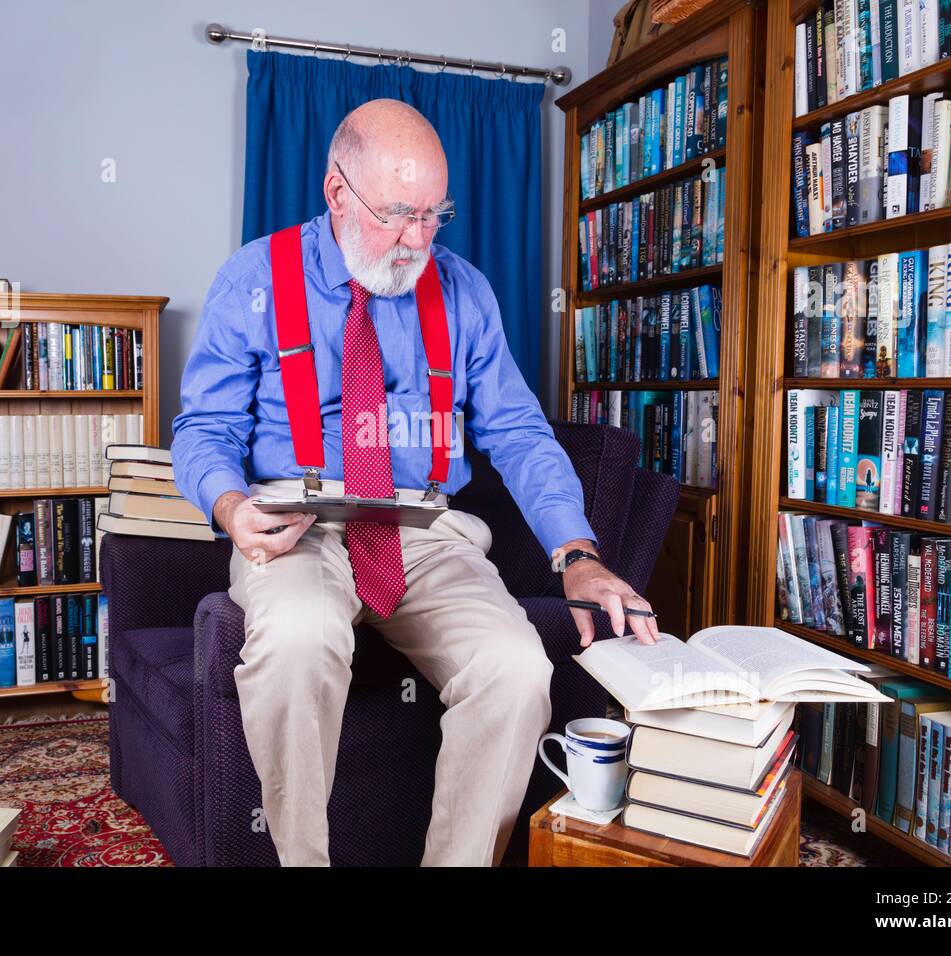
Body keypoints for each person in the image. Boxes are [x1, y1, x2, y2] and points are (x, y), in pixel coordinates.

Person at [171, 98, 657, 867]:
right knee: (298, 638)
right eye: (399, 213)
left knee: (517, 667)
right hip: (299, 526)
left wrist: (577, 551)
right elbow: (204, 429)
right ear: (337, 192)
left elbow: (518, 432)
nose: (419, 239)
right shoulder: (253, 279)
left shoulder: (465, 291)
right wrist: (232, 507)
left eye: (436, 215)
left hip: (426, 531)